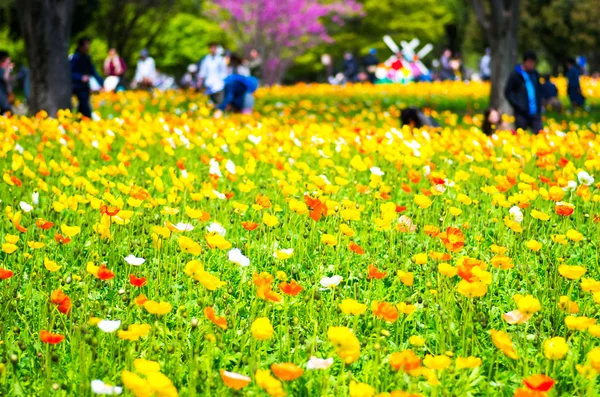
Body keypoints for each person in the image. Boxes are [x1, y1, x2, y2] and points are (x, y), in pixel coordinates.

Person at [504, 51, 542, 133]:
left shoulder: (535, 74)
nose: (532, 65)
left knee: (540, 134)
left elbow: (539, 89)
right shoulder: (515, 74)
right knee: (521, 135)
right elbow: (508, 92)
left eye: (533, 63)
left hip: (535, 110)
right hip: (521, 112)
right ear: (525, 62)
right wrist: (517, 104)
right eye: (530, 62)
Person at [214, 54, 258, 118]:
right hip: (245, 100)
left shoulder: (230, 80)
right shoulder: (240, 74)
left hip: (244, 102)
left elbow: (229, 96)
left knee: (244, 122)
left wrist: (220, 110)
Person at [70, 37, 103, 119]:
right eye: (86, 45)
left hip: (85, 86)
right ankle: (86, 120)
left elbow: (93, 71)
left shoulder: (87, 57)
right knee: (84, 105)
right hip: (77, 85)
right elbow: (69, 72)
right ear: (81, 46)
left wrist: (101, 83)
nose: (88, 47)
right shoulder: (75, 57)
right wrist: (81, 77)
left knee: (83, 105)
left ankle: (80, 120)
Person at [0, 51, 14, 115]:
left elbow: (9, 79)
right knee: (6, 112)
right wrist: (8, 69)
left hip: (5, 95)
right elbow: (5, 78)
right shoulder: (1, 69)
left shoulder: (3, 68)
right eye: (7, 59)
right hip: (2, 95)